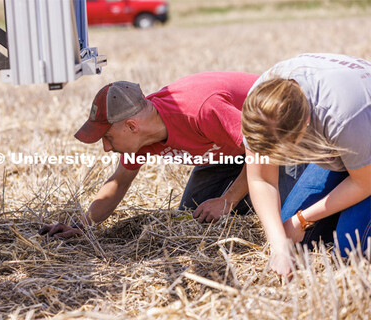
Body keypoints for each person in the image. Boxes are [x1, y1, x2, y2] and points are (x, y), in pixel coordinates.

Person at [40, 71, 295, 239]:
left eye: (107, 137)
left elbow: (262, 150)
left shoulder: (200, 110)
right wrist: (82, 225)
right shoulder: (140, 137)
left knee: (283, 212)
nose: (106, 147)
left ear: (131, 126)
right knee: (194, 217)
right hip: (227, 150)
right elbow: (119, 181)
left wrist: (227, 200)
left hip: (280, 139)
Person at [241, 53, 371, 276]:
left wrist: (303, 219)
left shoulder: (344, 115)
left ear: (306, 126)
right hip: (347, 152)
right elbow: (260, 178)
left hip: (363, 151)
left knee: (351, 250)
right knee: (289, 235)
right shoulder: (260, 107)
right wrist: (278, 245)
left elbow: (364, 183)